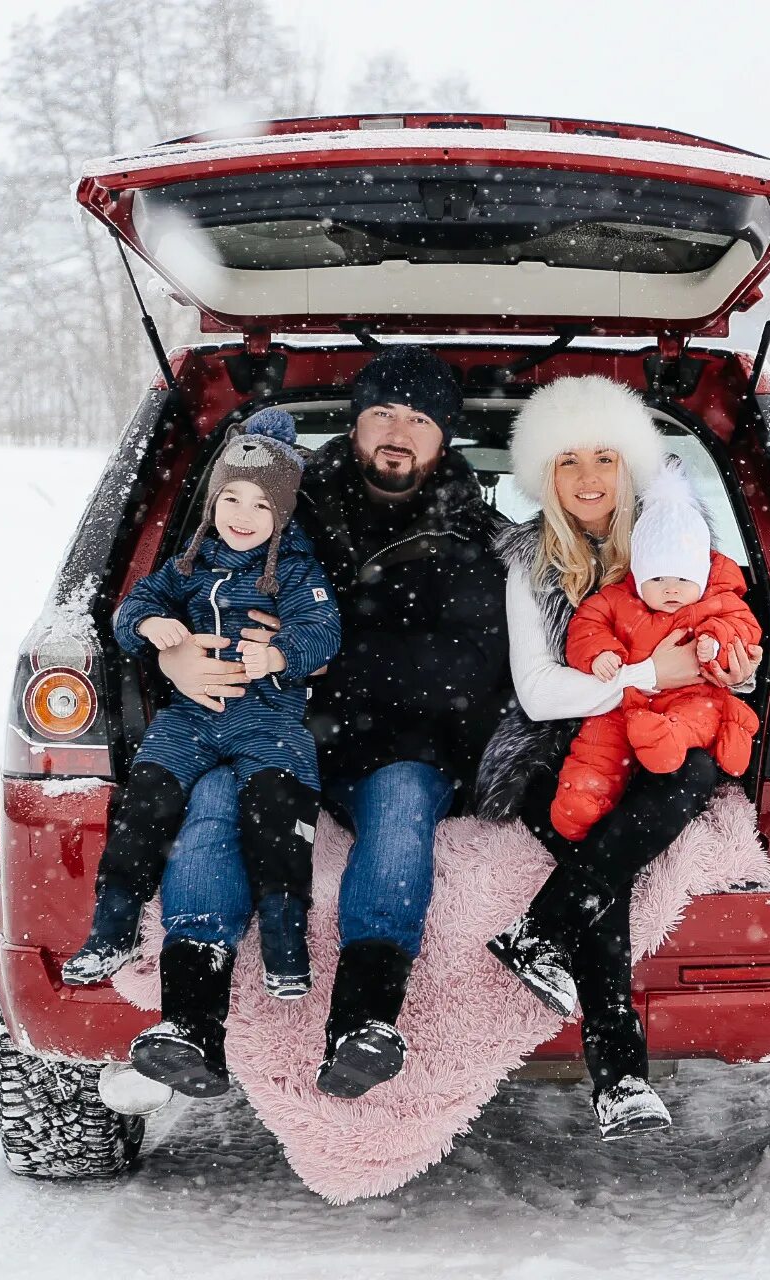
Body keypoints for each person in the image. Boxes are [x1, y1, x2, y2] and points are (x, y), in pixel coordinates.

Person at [151, 345, 509, 1100]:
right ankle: (188, 1021)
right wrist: (174, 657)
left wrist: (314, 661)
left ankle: (363, 1022)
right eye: (382, 412)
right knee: (214, 802)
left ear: (445, 436)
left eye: (418, 418)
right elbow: (181, 592)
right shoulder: (280, 504)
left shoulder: (476, 535)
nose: (397, 431)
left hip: (397, 742)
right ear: (354, 424)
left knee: (405, 808)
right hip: (266, 730)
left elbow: (469, 676)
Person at [473, 375, 764, 1140]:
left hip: (667, 731)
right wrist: (642, 675)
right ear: (544, 476)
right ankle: (619, 1074)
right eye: (568, 460)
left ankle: (541, 928)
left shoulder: (677, 537)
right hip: (555, 744)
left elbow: (732, 629)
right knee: (594, 828)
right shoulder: (528, 563)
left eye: (606, 455)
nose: (590, 476)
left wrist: (736, 669)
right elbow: (538, 695)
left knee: (687, 775)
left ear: (631, 464)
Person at [61, 409, 341, 1093]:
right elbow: (130, 612)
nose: (242, 515)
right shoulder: (187, 565)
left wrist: (278, 652)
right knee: (144, 809)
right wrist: (157, 625)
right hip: (189, 720)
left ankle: (284, 943)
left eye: (259, 504)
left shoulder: (297, 570)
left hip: (268, 722)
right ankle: (112, 927)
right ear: (212, 501)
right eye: (229, 500)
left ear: (283, 511)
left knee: (278, 823)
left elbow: (323, 631)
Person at [546, 459, 763, 842]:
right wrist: (601, 652)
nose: (670, 589)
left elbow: (742, 628)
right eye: (657, 578)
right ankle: (581, 802)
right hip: (621, 699)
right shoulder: (616, 598)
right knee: (596, 749)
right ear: (638, 572)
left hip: (691, 699)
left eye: (682, 578)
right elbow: (586, 626)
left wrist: (719, 644)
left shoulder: (716, 601)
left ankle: (672, 739)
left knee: (697, 719)